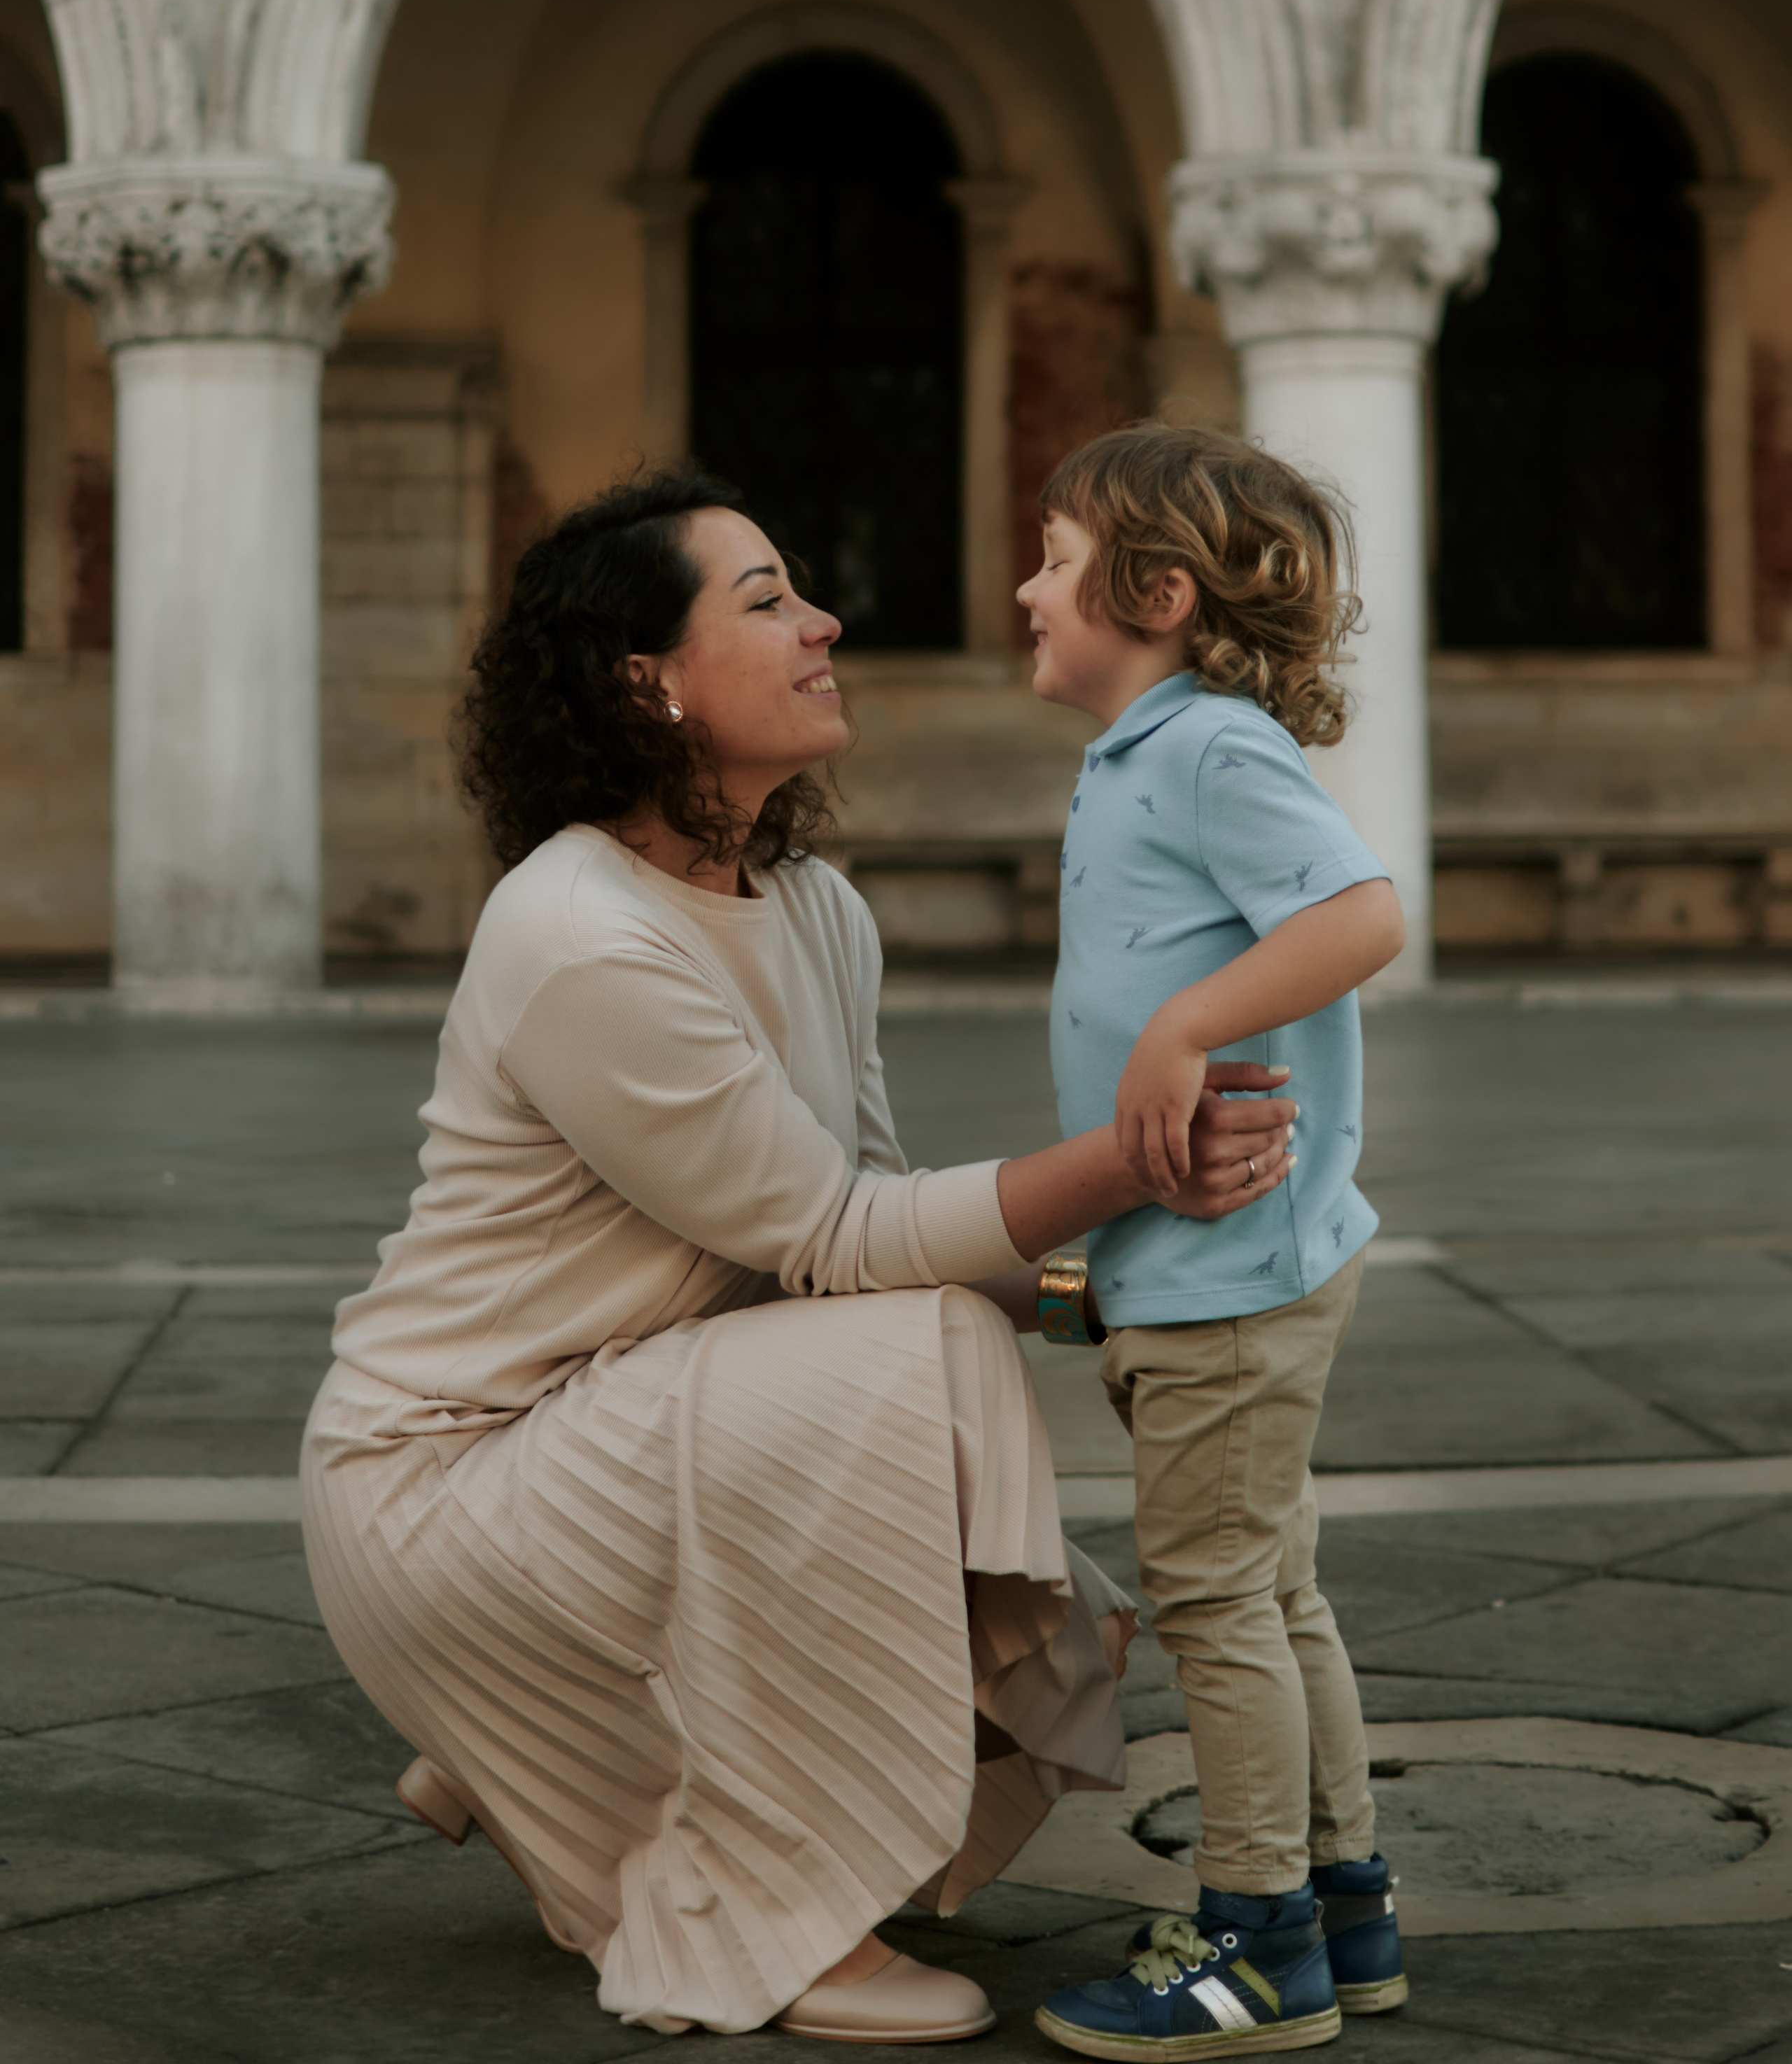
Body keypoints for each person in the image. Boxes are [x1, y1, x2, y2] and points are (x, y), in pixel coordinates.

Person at [299, 465, 1297, 2044]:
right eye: (766, 600)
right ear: (649, 681)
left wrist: (1117, 1297)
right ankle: (771, 1904)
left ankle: (676, 1795)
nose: (824, 623)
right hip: (452, 1469)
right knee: (917, 1364)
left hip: (634, 1412)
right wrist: (1136, 1157)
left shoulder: (817, 908)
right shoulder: (578, 931)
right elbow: (841, 1242)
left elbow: (874, 1220)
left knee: (928, 1355)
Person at [1014, 423, 1410, 2059]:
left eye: (1054, 560)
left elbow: (1360, 914)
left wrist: (1182, 1027)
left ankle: (1254, 1943)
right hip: (1201, 1268)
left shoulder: (1205, 747)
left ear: (1158, 595)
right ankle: (1340, 1904)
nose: (1026, 588)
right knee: (1272, 1589)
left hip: (1226, 1279)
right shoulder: (1146, 752)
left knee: (1214, 1603)